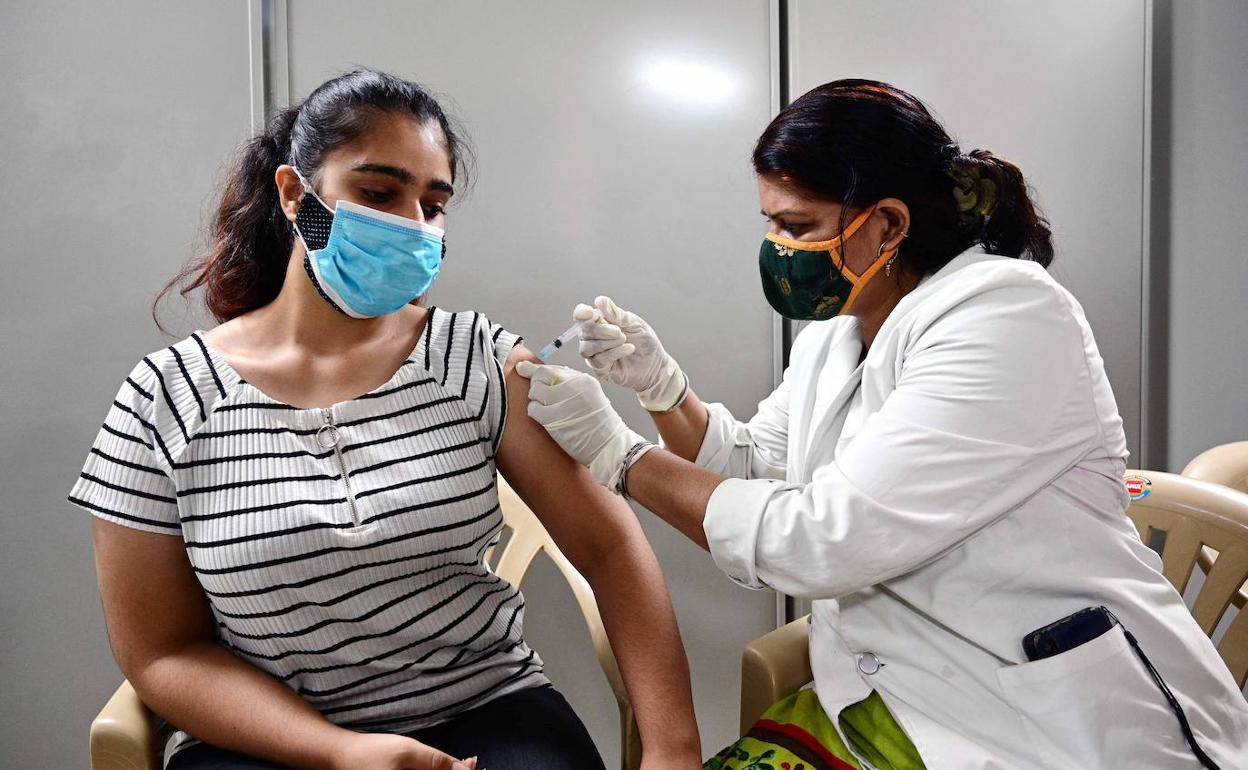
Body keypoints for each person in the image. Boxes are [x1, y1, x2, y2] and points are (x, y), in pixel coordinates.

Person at [517, 79, 1248, 769]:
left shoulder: (1010, 314)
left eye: (795, 225)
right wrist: (663, 389)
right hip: (894, 692)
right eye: (770, 222)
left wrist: (619, 457)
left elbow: (818, 539)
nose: (777, 247)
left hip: (1049, 717)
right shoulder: (836, 336)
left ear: (890, 223)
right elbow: (752, 466)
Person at [69, 69, 703, 770]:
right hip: (270, 737)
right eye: (377, 193)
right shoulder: (164, 398)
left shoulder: (476, 361)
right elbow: (161, 650)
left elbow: (610, 550)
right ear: (293, 194)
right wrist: (341, 752)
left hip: (485, 710)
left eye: (433, 204)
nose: (412, 225)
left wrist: (674, 748)